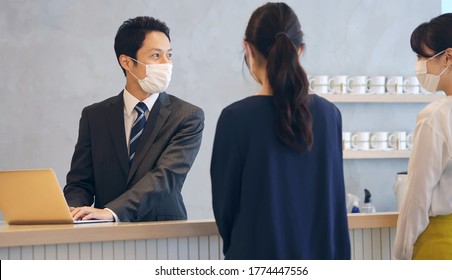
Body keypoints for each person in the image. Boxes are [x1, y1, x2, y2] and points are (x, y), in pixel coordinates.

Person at [210, 2, 350, 260]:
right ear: (300, 50)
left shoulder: (236, 118)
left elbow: (225, 211)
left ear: (248, 49)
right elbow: (335, 205)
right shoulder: (329, 115)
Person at [63, 16, 204, 222]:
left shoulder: (187, 116)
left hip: (164, 234)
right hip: (106, 238)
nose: (167, 64)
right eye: (156, 55)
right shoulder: (94, 116)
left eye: (169, 55)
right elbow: (80, 182)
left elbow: (165, 178)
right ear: (127, 62)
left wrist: (112, 212)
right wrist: (73, 212)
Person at [394, 13, 452, 260]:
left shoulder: (436, 117)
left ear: (448, 57)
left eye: (423, 56)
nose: (419, 65)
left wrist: (400, 254)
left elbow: (417, 199)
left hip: (441, 244)